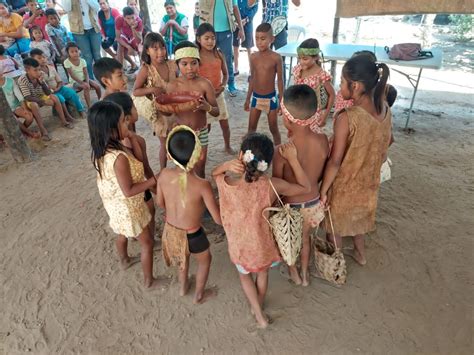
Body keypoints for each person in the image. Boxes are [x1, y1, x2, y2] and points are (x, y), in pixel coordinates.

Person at [212, 133, 311, 328]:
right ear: (268, 164)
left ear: (240, 156)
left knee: (244, 275)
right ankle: (259, 303)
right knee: (263, 274)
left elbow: (214, 173)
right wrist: (292, 160)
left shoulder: (225, 183)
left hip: (239, 245)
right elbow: (305, 187)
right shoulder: (272, 185)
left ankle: (259, 315)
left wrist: (226, 166)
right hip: (262, 245)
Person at [319, 56, 392, 266]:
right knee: (360, 217)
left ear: (356, 85)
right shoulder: (385, 110)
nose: (339, 86)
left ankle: (335, 264)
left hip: (345, 182)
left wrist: (324, 189)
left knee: (335, 223)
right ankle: (360, 254)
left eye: (342, 82)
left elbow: (335, 161)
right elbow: (385, 144)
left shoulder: (346, 117)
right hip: (369, 181)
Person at [87, 101, 167, 289]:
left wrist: (130, 135)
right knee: (146, 243)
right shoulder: (119, 158)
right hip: (128, 206)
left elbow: (138, 159)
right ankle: (149, 281)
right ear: (111, 130)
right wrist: (155, 179)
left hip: (115, 205)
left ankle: (124, 260)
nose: (127, 124)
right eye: (123, 122)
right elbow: (129, 190)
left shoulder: (104, 149)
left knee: (122, 232)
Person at [156, 125, 221, 304]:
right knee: (205, 260)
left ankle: (183, 287)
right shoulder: (202, 185)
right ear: (199, 155)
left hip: (171, 230)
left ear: (169, 155)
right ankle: (199, 294)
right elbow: (217, 218)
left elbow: (160, 203)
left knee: (181, 259)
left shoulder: (163, 175)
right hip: (194, 235)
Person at [272, 84, 328, 286]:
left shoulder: (281, 151)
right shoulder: (323, 140)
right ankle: (305, 274)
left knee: (288, 242)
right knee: (305, 239)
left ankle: (293, 272)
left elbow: (278, 186)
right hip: (314, 204)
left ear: (287, 118)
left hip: (292, 209)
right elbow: (322, 172)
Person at [103, 92, 156, 238]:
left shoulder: (113, 141)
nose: (136, 108)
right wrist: (156, 185)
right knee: (149, 211)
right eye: (133, 105)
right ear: (125, 117)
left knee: (125, 226)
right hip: (134, 190)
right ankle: (149, 239)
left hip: (122, 195)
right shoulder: (129, 143)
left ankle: (137, 239)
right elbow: (144, 167)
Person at [165, 41, 219, 178]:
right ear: (177, 65)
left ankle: (200, 193)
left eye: (194, 63)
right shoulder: (172, 86)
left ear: (199, 63)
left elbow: (216, 111)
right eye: (184, 64)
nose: (190, 68)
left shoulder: (205, 84)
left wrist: (207, 107)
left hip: (201, 132)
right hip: (181, 134)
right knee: (182, 167)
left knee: (200, 166)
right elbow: (168, 112)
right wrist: (170, 122)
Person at [132, 32, 178, 170]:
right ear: (147, 50)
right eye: (155, 48)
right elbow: (135, 91)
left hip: (176, 110)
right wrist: (152, 90)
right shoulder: (146, 70)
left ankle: (181, 169)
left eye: (162, 47)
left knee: (178, 139)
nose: (160, 52)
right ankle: (163, 171)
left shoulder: (172, 65)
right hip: (160, 115)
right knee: (164, 144)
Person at [196, 23, 233, 154]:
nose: (210, 41)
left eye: (213, 38)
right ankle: (201, 150)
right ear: (198, 39)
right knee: (206, 126)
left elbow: (226, 74)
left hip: (219, 95)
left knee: (225, 123)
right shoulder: (196, 57)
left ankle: (227, 146)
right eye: (206, 38)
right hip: (204, 97)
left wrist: (223, 86)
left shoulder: (218, 54)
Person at [245, 22, 283, 146]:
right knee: (251, 129)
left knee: (273, 128)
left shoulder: (276, 58)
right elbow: (252, 78)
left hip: (271, 98)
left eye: (263, 39)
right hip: (256, 98)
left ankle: (277, 150)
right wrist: (247, 99)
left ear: (272, 39)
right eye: (256, 38)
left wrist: (281, 101)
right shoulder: (253, 57)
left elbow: (280, 80)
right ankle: (248, 151)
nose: (259, 42)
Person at [17, 57, 74, 138]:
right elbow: (27, 97)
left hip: (40, 96)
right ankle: (42, 129)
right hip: (30, 100)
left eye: (39, 69)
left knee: (54, 97)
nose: (38, 72)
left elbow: (48, 92)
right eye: (35, 70)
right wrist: (42, 102)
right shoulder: (22, 80)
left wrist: (42, 83)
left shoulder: (40, 76)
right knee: (34, 105)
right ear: (27, 70)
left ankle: (64, 121)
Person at [199, 0, 245, 97]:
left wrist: (241, 28)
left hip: (226, 30)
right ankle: (206, 86)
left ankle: (231, 84)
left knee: (227, 59)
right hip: (208, 31)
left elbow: (235, 8)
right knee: (206, 58)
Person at [30, 48, 84, 120]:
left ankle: (81, 110)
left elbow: (60, 81)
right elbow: (40, 87)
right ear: (33, 60)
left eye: (44, 57)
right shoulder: (36, 73)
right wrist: (52, 90)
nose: (43, 59)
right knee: (60, 98)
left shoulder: (51, 67)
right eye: (39, 58)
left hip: (59, 88)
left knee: (72, 93)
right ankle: (67, 116)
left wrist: (58, 87)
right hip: (48, 93)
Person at [293, 38, 335, 128]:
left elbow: (332, 95)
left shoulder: (321, 75)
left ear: (316, 57)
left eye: (305, 59)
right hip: (298, 112)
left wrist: (325, 115)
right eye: (299, 58)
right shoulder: (297, 70)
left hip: (314, 116)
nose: (301, 62)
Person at [62, 0, 101, 79]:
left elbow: (97, 7)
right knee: (87, 57)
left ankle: (102, 77)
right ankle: (90, 79)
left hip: (94, 28)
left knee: (97, 55)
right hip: (78, 31)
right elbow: (67, 8)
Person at [1, 69, 40, 138]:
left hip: (15, 106)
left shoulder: (9, 81)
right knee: (14, 119)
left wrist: (25, 109)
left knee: (29, 117)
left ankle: (21, 132)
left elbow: (20, 97)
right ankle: (30, 133)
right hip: (3, 111)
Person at [64, 41, 101, 108]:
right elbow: (72, 75)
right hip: (74, 81)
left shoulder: (82, 60)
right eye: (72, 52)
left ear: (79, 51)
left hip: (84, 79)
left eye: (76, 51)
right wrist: (83, 83)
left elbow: (86, 73)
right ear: (68, 53)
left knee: (97, 86)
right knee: (86, 87)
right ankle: (89, 106)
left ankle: (101, 101)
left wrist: (86, 82)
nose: (75, 53)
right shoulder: (66, 62)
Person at [233, 0, 257, 76]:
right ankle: (236, 68)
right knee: (235, 46)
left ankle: (251, 69)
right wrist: (235, 21)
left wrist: (246, 19)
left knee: (248, 47)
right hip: (236, 24)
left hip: (248, 24)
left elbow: (255, 8)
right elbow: (232, 8)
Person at [115, 6, 142, 73]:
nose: (131, 20)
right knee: (120, 46)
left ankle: (142, 69)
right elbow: (118, 38)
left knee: (140, 48)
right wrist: (128, 47)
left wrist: (133, 28)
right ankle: (120, 71)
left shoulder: (139, 21)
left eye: (132, 17)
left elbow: (139, 41)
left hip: (134, 37)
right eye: (128, 18)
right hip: (125, 37)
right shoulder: (118, 19)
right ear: (124, 18)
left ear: (135, 16)